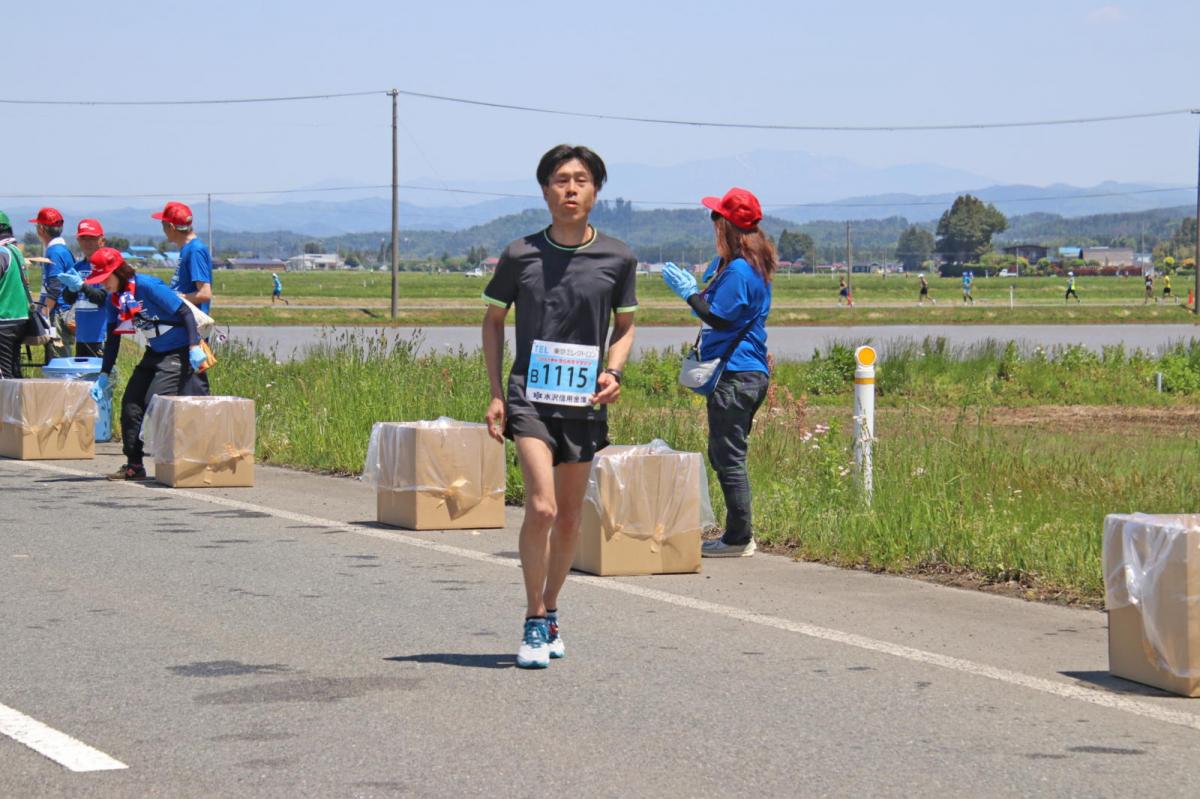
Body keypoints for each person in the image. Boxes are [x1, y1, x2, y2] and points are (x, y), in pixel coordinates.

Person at [481, 144, 637, 669]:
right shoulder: (520, 254)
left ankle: (551, 610)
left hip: (583, 401)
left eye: (581, 180)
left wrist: (613, 371)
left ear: (595, 191)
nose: (570, 189)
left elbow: (626, 324)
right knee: (542, 507)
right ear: (545, 189)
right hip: (529, 396)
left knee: (569, 518)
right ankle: (530, 618)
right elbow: (493, 320)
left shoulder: (618, 257)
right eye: (560, 180)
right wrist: (498, 394)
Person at [662, 187, 774, 559]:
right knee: (725, 452)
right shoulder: (748, 265)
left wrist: (690, 293)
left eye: (716, 221)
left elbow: (718, 318)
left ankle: (739, 538)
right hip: (748, 372)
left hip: (735, 374)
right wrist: (708, 285)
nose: (712, 227)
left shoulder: (741, 270)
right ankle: (737, 534)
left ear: (727, 227)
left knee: (728, 456)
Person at [84, 247, 207, 481]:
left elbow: (185, 313)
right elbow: (113, 338)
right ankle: (134, 465)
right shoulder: (115, 300)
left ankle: (180, 460)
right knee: (131, 404)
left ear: (118, 272)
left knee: (156, 403)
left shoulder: (148, 286)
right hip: (154, 352)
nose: (102, 285)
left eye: (104, 279)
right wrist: (104, 374)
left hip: (179, 352)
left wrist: (194, 347)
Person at [154, 201, 212, 387]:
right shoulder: (187, 249)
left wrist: (177, 298)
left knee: (193, 387)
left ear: (171, 227)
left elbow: (204, 293)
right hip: (181, 329)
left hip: (192, 331)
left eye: (163, 225)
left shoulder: (195, 250)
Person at [56, 219, 109, 357]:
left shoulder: (107, 267)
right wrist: (70, 289)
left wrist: (82, 286)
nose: (87, 243)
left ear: (101, 240)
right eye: (83, 238)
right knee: (82, 376)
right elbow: (68, 299)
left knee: (101, 374)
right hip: (81, 335)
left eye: (91, 238)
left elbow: (103, 298)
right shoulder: (78, 268)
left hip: (101, 335)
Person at [29, 207, 76, 358]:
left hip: (57, 313)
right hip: (60, 310)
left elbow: (55, 287)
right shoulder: (61, 250)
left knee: (58, 359)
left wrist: (43, 313)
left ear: (41, 228)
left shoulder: (54, 252)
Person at [0, 212, 29, 379]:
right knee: (13, 369)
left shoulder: (1, 252)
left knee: (4, 376)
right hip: (20, 318)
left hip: (4, 318)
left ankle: (7, 405)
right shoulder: (15, 250)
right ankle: (18, 404)